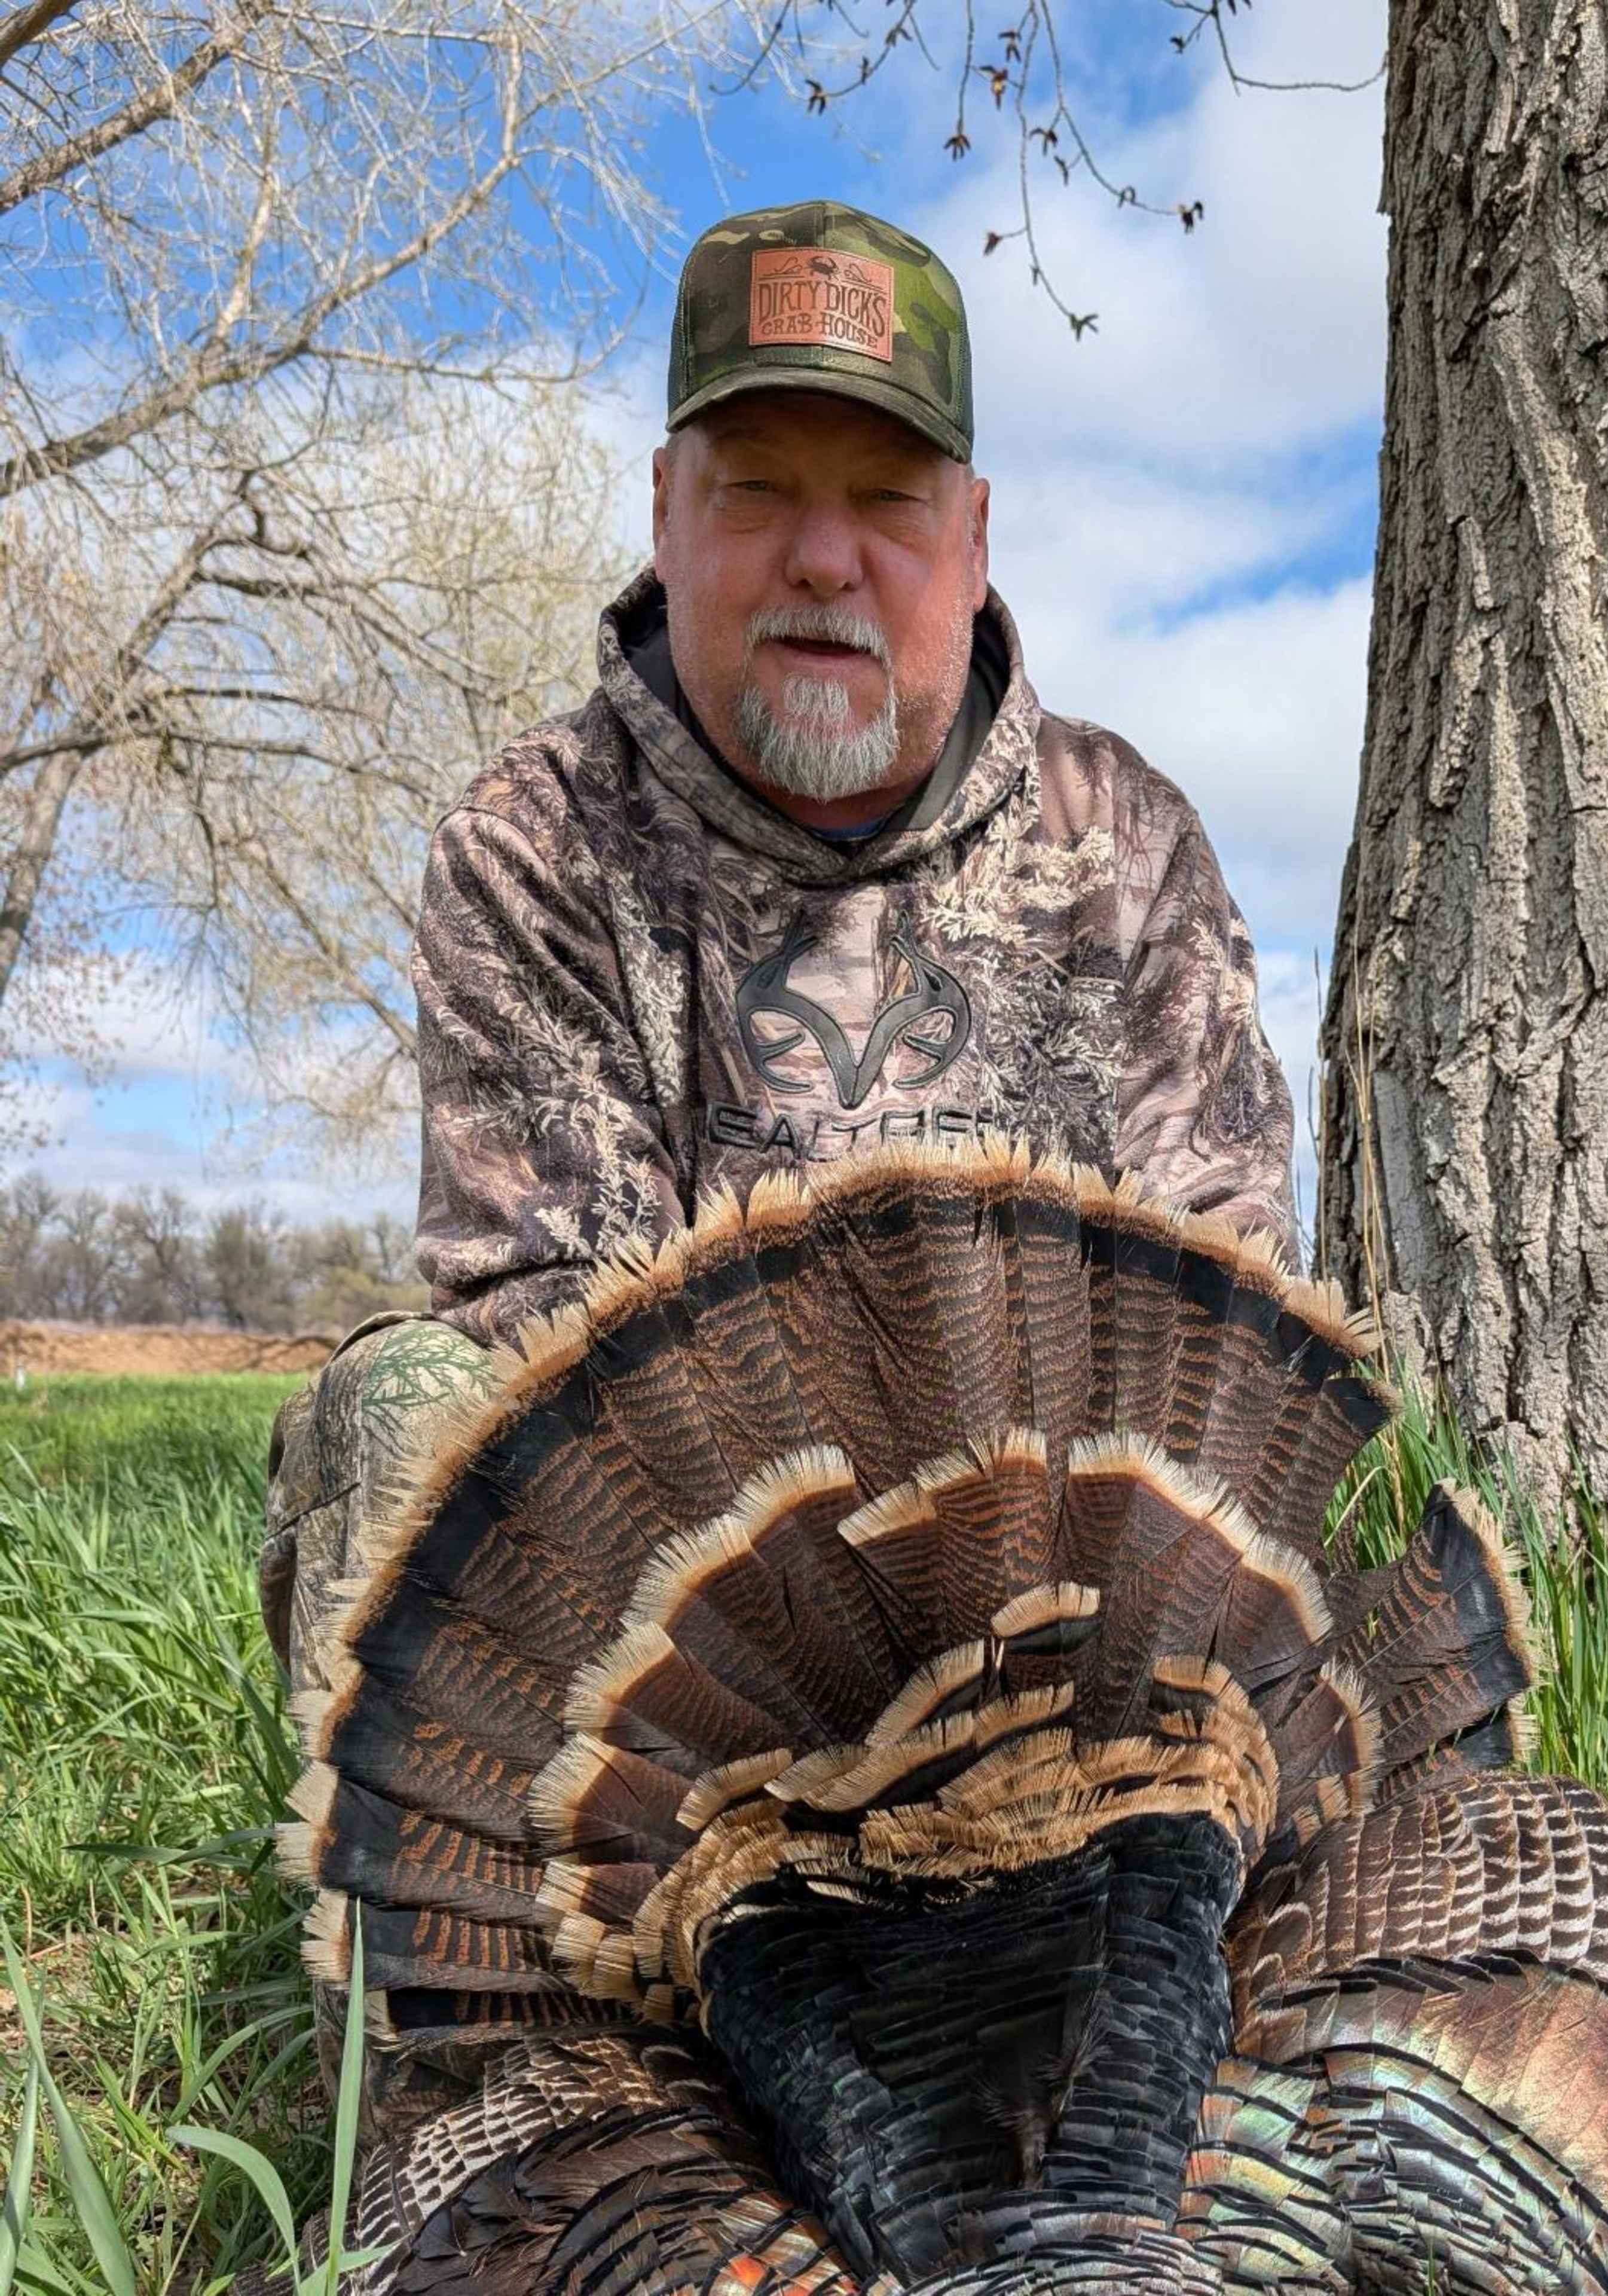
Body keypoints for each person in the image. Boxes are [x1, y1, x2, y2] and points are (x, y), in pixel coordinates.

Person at [258, 199, 1298, 2144]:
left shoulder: (1126, 843)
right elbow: (559, 1390)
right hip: (700, 1734)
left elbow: (1224, 1362)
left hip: (1061, 1708)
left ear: (971, 538)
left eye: (886, 500)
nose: (827, 557)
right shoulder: (541, 846)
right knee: (404, 1414)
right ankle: (512, 2141)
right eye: (759, 491)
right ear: (668, 516)